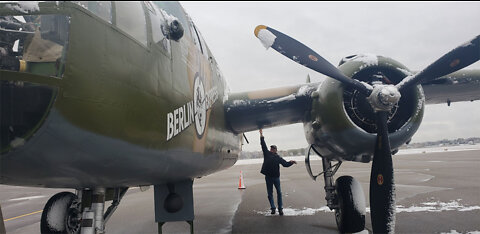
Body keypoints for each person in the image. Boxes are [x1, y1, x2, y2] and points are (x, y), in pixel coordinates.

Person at [259, 129, 297, 215]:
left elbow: (285, 164)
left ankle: (280, 209)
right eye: (271, 148)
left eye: (273, 149)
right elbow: (263, 145)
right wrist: (261, 135)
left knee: (279, 193)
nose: (272, 150)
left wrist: (291, 162)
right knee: (270, 194)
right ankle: (273, 208)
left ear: (276, 150)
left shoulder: (278, 158)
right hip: (268, 177)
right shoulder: (267, 154)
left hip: (276, 178)